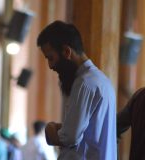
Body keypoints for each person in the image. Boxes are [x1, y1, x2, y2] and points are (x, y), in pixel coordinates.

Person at [37, 20, 117, 160]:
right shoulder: (101, 80)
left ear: (67, 52)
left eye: (51, 58)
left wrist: (50, 129)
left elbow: (70, 137)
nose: (50, 66)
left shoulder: (85, 83)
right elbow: (88, 129)